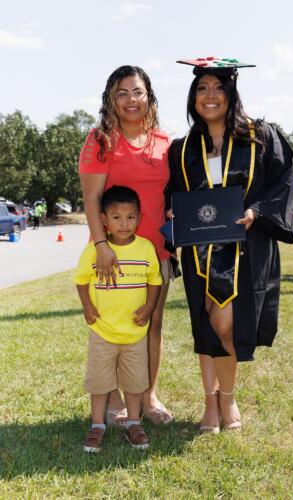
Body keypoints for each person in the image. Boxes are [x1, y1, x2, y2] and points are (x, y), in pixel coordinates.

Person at [167, 57, 293, 434]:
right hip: (199, 251)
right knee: (205, 325)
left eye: (218, 88)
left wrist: (258, 211)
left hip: (243, 248)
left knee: (225, 324)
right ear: (193, 97)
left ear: (231, 93)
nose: (210, 96)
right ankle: (211, 402)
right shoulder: (184, 147)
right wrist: (172, 212)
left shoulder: (259, 136)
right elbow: (172, 192)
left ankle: (228, 396)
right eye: (202, 88)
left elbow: (284, 179)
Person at [79, 65, 173, 426]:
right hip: (111, 255)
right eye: (122, 93)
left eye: (137, 92)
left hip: (156, 253)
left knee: (152, 323)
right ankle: (115, 398)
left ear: (148, 95)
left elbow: (171, 195)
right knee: (109, 325)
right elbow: (92, 201)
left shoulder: (164, 142)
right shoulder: (99, 140)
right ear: (110, 98)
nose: (130, 100)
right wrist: (102, 245)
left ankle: (148, 395)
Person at [74, 186, 162, 452]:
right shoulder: (94, 251)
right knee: (100, 383)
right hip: (103, 331)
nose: (124, 223)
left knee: (135, 383)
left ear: (139, 218)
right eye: (116, 217)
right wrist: (87, 306)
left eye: (130, 217)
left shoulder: (146, 249)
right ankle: (97, 426)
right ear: (104, 220)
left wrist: (148, 307)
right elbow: (80, 281)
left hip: (135, 334)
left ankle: (134, 423)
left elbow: (154, 281)